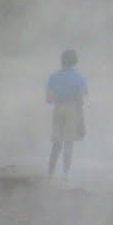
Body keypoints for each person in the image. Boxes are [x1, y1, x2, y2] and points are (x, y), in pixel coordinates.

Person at [46, 49, 88, 178]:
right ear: (75, 62)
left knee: (56, 142)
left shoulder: (53, 77)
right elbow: (80, 101)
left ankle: (50, 174)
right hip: (72, 108)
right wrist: (82, 123)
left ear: (62, 61)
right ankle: (65, 175)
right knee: (69, 143)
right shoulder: (80, 78)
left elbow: (48, 99)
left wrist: (59, 98)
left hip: (58, 108)